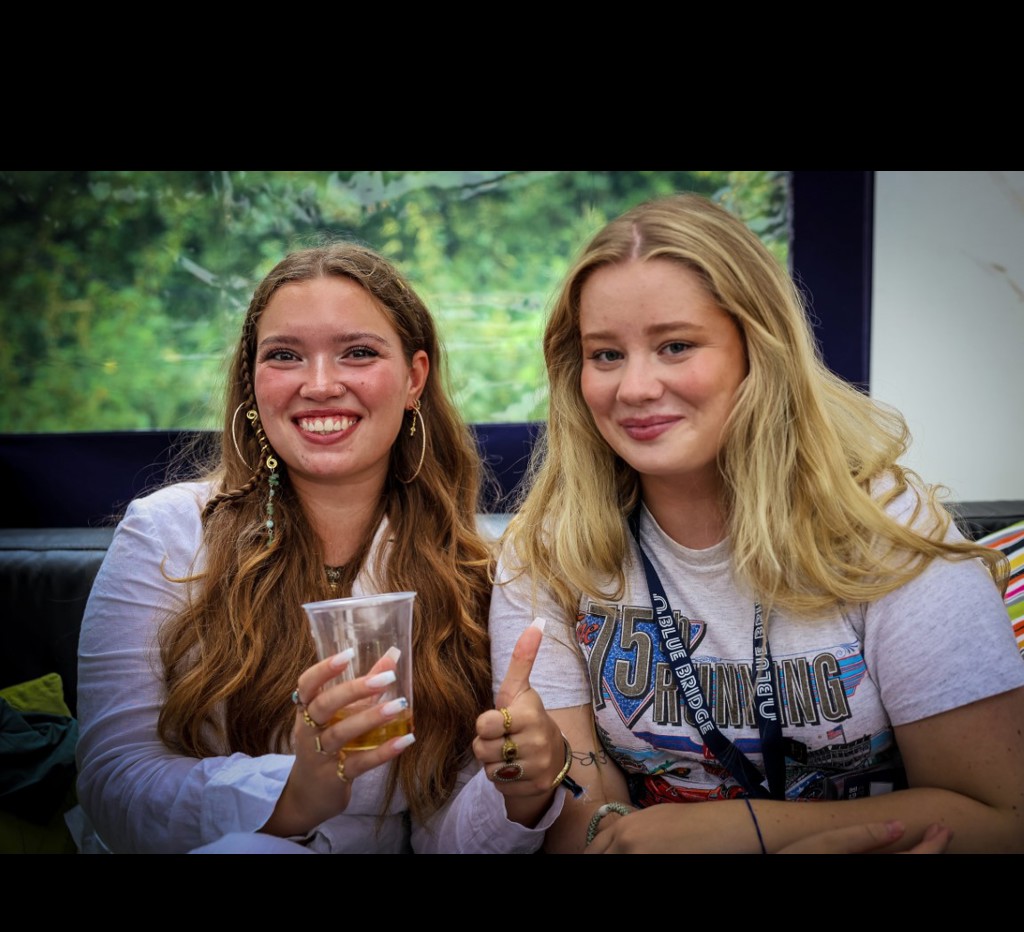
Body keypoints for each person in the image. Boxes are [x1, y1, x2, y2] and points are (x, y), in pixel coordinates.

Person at [486, 192, 1024, 854]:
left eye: (676, 346)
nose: (634, 387)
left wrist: (744, 831)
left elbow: (1002, 817)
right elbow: (580, 819)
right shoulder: (546, 549)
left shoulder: (882, 527)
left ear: (758, 350)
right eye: (606, 355)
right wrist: (554, 797)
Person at [72, 241, 568, 854]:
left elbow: (445, 836)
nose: (321, 384)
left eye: (358, 352)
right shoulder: (166, 534)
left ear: (414, 378)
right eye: (285, 355)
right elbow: (112, 783)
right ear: (252, 380)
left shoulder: (475, 571)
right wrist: (294, 796)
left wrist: (518, 790)